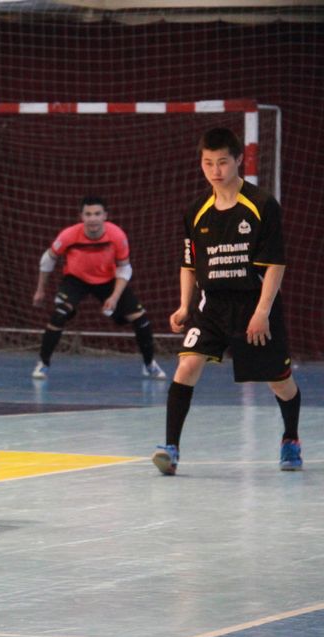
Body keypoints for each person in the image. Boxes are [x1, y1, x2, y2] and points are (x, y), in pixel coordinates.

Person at [152, 127, 302, 476]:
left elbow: (276, 264)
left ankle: (291, 439)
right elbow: (189, 264)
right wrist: (184, 305)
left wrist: (262, 312)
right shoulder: (195, 211)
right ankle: (171, 449)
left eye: (222, 162)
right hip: (211, 306)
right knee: (187, 366)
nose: (215, 170)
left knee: (279, 382)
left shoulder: (262, 205)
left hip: (254, 305)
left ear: (238, 160)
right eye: (208, 163)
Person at [31, 197, 166, 381]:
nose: (92, 218)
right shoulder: (69, 235)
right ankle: (43, 363)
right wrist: (40, 290)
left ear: (105, 216)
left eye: (97, 214)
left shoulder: (117, 235)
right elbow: (48, 259)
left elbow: (124, 268)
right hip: (75, 280)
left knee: (140, 319)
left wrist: (114, 297)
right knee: (59, 314)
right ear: (81, 217)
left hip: (108, 280)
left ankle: (149, 364)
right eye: (88, 214)